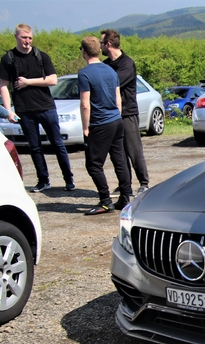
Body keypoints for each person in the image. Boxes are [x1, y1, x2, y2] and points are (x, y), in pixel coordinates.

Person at [0, 23, 74, 192]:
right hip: (24, 110)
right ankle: (43, 180)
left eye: (30, 38)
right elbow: (4, 85)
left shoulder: (41, 56)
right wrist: (8, 110)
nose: (27, 41)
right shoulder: (8, 59)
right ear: (16, 37)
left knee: (57, 144)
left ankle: (69, 180)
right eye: (24, 38)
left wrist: (28, 82)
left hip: (46, 107)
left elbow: (53, 80)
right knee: (34, 147)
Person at [78, 35, 132, 215]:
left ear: (84, 51)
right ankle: (125, 198)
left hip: (100, 123)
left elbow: (85, 104)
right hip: (116, 121)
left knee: (93, 164)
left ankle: (105, 201)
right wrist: (116, 115)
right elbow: (118, 99)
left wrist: (86, 127)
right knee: (119, 160)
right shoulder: (110, 71)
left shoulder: (85, 73)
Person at [100, 29, 150, 196]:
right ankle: (124, 184)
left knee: (133, 150)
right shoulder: (105, 65)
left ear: (108, 44)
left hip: (127, 113)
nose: (100, 47)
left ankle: (144, 182)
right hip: (112, 115)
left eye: (101, 43)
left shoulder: (127, 63)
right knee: (118, 153)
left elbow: (113, 82)